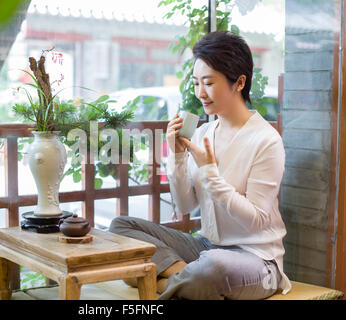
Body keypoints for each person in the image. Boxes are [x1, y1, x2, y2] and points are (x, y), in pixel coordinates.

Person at [109, 31, 292, 300]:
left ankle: (162, 281)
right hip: (206, 247)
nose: (200, 93)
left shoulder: (266, 140)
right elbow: (184, 206)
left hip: (256, 260)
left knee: (211, 269)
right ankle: (184, 276)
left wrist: (210, 174)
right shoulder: (203, 132)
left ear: (239, 82)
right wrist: (177, 156)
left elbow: (257, 222)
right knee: (120, 227)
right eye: (196, 83)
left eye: (208, 83)